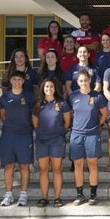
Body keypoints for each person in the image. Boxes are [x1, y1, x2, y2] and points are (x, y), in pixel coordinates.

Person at [68, 69, 108, 205]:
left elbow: (105, 113)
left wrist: (99, 125)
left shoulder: (97, 96)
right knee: (78, 164)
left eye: (86, 80)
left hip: (92, 134)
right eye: (81, 81)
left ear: (89, 80)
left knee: (92, 163)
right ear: (77, 82)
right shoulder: (73, 96)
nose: (84, 83)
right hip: (77, 134)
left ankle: (93, 194)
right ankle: (79, 194)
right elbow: (70, 115)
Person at [32, 78, 71, 207]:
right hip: (42, 140)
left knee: (57, 169)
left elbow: (67, 122)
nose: (49, 89)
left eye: (51, 87)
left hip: (57, 141)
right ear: (43, 88)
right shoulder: (37, 105)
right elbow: (35, 123)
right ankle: (44, 197)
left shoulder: (62, 103)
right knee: (43, 170)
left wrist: (59, 132)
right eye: (47, 87)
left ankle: (57, 198)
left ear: (55, 88)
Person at [0, 71, 35, 207]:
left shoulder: (29, 96)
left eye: (19, 79)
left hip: (25, 135)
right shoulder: (4, 97)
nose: (17, 82)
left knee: (24, 166)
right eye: (14, 79)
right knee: (9, 166)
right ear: (11, 81)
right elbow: (2, 114)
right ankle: (8, 194)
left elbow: (34, 114)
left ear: (23, 81)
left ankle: (23, 194)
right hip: (8, 135)